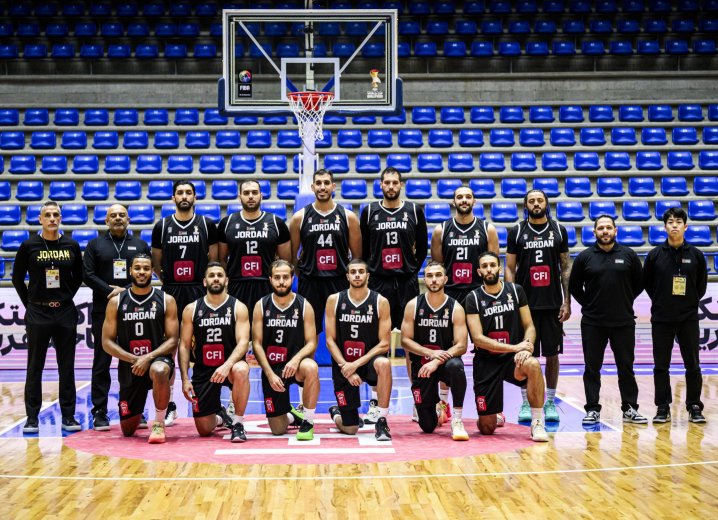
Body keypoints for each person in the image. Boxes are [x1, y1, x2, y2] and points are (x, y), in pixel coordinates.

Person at [361, 167, 428, 422]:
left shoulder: (414, 211)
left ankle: (418, 401)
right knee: (376, 345)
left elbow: (422, 249)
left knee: (412, 346)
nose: (390, 186)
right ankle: (375, 401)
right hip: (379, 283)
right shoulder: (369, 211)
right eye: (386, 182)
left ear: (401, 185)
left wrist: (409, 269)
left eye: (394, 182)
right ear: (380, 185)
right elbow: (364, 250)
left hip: (407, 283)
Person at [12, 201, 84, 434]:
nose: (52, 218)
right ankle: (32, 418)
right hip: (38, 312)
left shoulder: (71, 245)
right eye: (48, 215)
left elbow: (78, 276)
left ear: (60, 218)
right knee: (35, 366)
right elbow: (16, 278)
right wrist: (30, 304)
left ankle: (69, 417)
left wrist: (65, 297)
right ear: (40, 219)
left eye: (56, 215)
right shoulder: (29, 245)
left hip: (65, 312)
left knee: (67, 367)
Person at [151, 180, 219, 426]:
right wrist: (168, 282)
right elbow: (156, 263)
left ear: (195, 197)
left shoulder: (206, 225)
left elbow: (214, 261)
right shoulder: (162, 226)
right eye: (179, 192)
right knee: (169, 347)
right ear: (173, 198)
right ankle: (170, 405)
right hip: (172, 291)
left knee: (205, 345)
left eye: (188, 192)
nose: (184, 196)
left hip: (199, 291)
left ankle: (211, 402)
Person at [569, 215, 647, 426]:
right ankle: (592, 409)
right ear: (594, 232)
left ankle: (630, 408)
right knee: (592, 368)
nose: (605, 231)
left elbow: (639, 284)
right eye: (601, 228)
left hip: (623, 322)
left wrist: (624, 299)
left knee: (626, 368)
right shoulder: (584, 257)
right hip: (593, 323)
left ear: (615, 231)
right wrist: (589, 304)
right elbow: (574, 287)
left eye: (609, 227)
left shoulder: (628, 255)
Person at [431, 185, 499, 423]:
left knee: (488, 350)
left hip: (480, 296)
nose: (464, 200)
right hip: (451, 296)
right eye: (459, 197)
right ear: (453, 202)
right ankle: (443, 403)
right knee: (447, 350)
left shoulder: (487, 229)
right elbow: (438, 267)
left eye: (468, 196)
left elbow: (493, 266)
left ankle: (493, 403)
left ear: (474, 201)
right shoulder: (441, 230)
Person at [465, 251, 549, 442]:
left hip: (513, 361)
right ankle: (493, 413)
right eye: (484, 266)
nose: (489, 269)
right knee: (487, 428)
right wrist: (515, 348)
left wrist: (527, 347)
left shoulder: (516, 291)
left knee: (533, 364)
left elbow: (529, 326)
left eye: (492, 265)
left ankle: (537, 422)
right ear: (479, 271)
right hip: (486, 362)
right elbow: (478, 339)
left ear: (499, 268)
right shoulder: (473, 298)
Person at [505, 189, 572, 424]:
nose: (536, 204)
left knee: (552, 355)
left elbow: (565, 267)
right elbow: (510, 268)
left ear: (546, 204)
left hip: (552, 303)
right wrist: (510, 299)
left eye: (540, 200)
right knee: (524, 354)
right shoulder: (517, 231)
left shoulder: (558, 230)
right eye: (531, 201)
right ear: (526, 205)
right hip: (525, 305)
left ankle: (550, 401)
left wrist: (567, 300)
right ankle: (526, 401)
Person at [83, 203, 151, 431]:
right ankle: (99, 412)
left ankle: (135, 410)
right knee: (102, 362)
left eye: (122, 215)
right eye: (113, 215)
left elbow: (145, 273)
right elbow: (87, 275)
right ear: (106, 220)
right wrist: (110, 291)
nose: (118, 218)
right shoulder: (95, 245)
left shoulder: (140, 245)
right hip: (104, 311)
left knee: (133, 360)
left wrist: (127, 292)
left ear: (128, 219)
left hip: (135, 312)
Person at [101, 254, 179, 443]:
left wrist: (147, 358)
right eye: (137, 268)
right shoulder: (116, 302)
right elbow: (107, 342)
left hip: (158, 359)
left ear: (152, 271)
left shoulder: (166, 300)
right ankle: (137, 407)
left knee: (159, 370)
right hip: (131, 364)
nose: (141, 272)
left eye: (146, 268)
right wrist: (135, 360)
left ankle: (159, 424)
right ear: (130, 271)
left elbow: (172, 340)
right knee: (128, 430)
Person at [643, 207, 707, 424]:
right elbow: (648, 284)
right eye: (670, 222)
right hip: (662, 318)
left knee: (693, 365)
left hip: (688, 318)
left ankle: (694, 406)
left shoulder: (696, 255)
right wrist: (663, 302)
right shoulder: (654, 255)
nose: (674, 225)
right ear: (665, 227)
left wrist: (687, 303)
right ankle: (663, 407)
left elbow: (701, 286)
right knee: (661, 365)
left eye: (678, 222)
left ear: (685, 226)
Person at [179, 263, 251, 442]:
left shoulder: (238, 307)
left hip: (230, 367)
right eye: (211, 275)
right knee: (204, 429)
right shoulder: (191, 309)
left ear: (226, 280)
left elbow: (243, 342)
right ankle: (220, 417)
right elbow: (184, 346)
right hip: (204, 370)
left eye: (220, 275)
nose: (216, 278)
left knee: (242, 369)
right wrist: (185, 379)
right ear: (205, 281)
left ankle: (238, 424)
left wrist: (227, 366)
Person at [400, 261, 470, 441]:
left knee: (456, 366)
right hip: (422, 368)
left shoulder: (456, 308)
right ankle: (435, 406)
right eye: (430, 276)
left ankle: (457, 419)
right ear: (424, 279)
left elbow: (461, 345)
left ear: (445, 279)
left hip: (444, 364)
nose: (434, 279)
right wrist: (429, 353)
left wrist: (437, 360)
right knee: (428, 426)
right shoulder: (413, 305)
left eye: (438, 275)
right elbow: (405, 340)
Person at [252, 260, 320, 440]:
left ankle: (307, 421)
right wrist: (269, 374)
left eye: (285, 277)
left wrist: (296, 360)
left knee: (311, 367)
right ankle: (291, 415)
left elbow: (311, 342)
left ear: (292, 278)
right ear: (270, 279)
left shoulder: (304, 305)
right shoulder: (261, 305)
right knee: (278, 429)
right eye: (277, 277)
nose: (281, 281)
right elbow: (256, 343)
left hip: (296, 367)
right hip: (273, 368)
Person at [325, 259, 393, 441]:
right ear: (347, 276)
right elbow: (330, 340)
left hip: (368, 362)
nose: (357, 275)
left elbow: (384, 344)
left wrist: (354, 365)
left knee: (384, 363)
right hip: (343, 364)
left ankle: (381, 420)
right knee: (351, 428)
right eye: (353, 272)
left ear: (367, 276)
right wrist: (345, 367)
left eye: (361, 272)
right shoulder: (334, 300)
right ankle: (337, 413)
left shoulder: (380, 302)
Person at [289, 168, 362, 333]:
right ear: (312, 187)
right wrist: (307, 273)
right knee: (309, 332)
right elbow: (293, 258)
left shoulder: (348, 217)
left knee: (341, 331)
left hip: (339, 281)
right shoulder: (299, 218)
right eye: (318, 183)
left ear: (333, 186)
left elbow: (357, 257)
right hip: (310, 281)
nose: (322, 187)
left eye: (326, 183)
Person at [218, 179, 291, 314]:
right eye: (246, 193)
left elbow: (286, 261)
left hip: (267, 285)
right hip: (237, 285)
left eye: (254, 192)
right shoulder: (226, 223)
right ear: (240, 197)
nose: (251, 196)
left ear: (261, 196)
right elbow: (221, 260)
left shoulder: (276, 223)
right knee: (239, 326)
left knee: (266, 326)